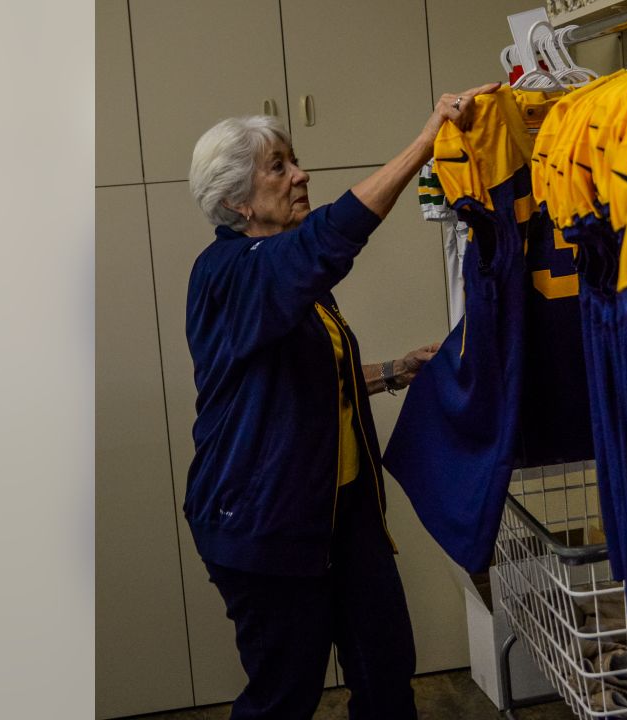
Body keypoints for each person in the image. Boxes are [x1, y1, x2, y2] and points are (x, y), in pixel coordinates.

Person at [182, 82, 499, 720]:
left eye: (294, 160)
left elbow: (303, 379)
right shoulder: (234, 275)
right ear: (239, 201)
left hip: (343, 516)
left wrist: (393, 371)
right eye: (281, 167)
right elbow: (332, 238)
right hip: (265, 525)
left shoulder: (282, 273)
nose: (302, 175)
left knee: (385, 675)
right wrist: (425, 143)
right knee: (284, 697)